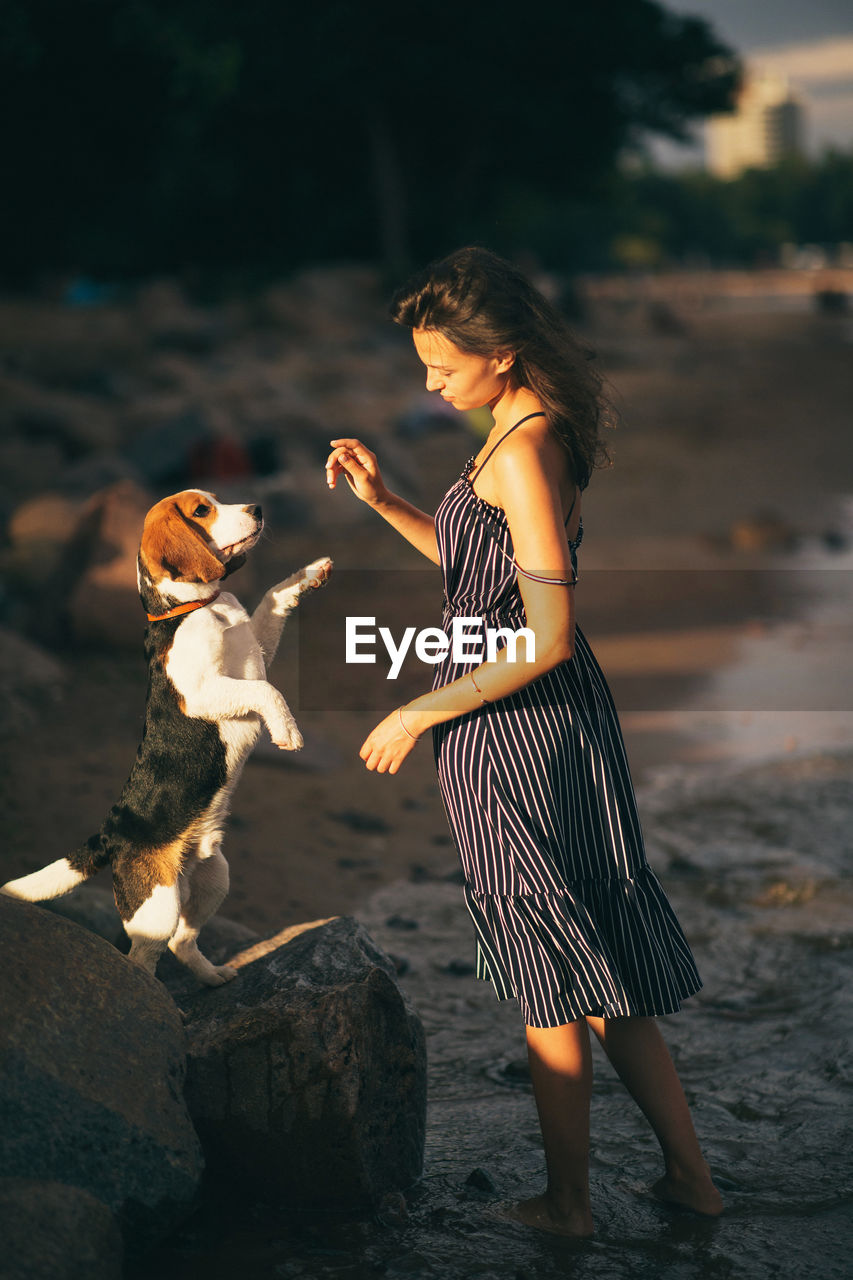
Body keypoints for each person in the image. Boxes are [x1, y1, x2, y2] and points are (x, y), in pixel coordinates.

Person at [325, 246, 722, 1237]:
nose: (428, 384)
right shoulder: (512, 427)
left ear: (498, 353)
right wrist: (383, 502)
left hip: (515, 730)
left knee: (547, 964)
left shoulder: (527, 447)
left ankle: (567, 1204)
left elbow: (543, 636)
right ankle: (689, 1181)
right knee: (597, 961)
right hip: (535, 720)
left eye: (441, 366)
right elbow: (480, 570)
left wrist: (424, 708)